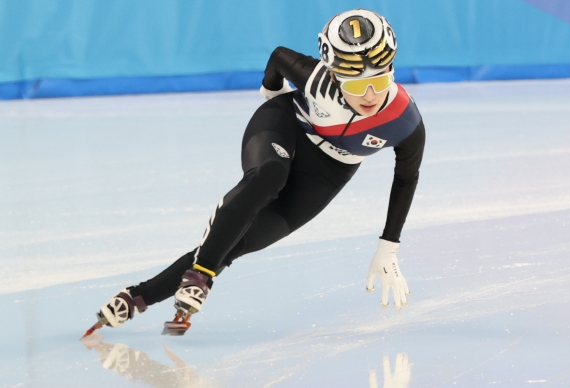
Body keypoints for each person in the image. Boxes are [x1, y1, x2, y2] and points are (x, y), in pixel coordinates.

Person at [96, 9, 425, 330]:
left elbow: (406, 178)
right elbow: (279, 56)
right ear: (335, 76)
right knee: (269, 176)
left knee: (243, 241)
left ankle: (137, 296)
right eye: (355, 86)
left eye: (379, 81)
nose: (369, 96)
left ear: (391, 70)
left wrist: (388, 246)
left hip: (329, 169)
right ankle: (201, 275)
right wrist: (272, 91)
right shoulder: (315, 79)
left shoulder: (405, 121)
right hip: (286, 125)